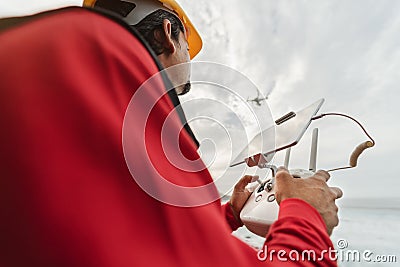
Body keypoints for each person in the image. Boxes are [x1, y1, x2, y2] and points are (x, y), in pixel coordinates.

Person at [0, 1, 342, 266]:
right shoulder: (111, 72)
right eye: (188, 51)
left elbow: (127, 239)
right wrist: (305, 212)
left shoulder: (45, 52)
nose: (188, 67)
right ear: (167, 33)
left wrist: (223, 216)